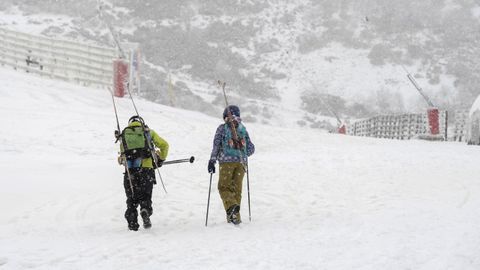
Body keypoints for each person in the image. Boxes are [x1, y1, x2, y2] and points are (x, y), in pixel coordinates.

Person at [118, 115, 169, 231]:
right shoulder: (148, 132)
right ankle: (145, 210)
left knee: (131, 198)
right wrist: (160, 159)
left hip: (130, 173)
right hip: (146, 170)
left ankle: (132, 223)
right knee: (146, 195)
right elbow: (165, 145)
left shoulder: (125, 135)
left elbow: (123, 156)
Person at [208, 105, 255, 225]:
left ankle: (232, 207)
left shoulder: (222, 129)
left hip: (226, 162)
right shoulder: (243, 129)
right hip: (241, 163)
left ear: (225, 116)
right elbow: (250, 149)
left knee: (224, 187)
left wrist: (212, 160)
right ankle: (235, 219)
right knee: (236, 190)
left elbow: (216, 146)